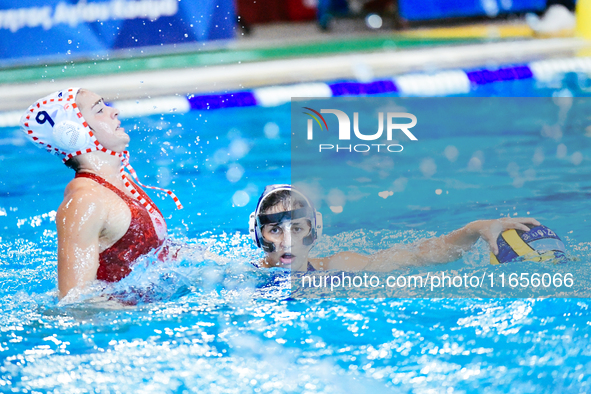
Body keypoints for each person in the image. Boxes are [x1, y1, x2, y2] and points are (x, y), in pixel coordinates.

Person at [20, 88, 182, 299]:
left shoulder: (120, 182)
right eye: (99, 110)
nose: (113, 112)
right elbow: (76, 304)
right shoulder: (85, 201)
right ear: (74, 133)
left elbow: (157, 254)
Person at [249, 184, 540, 271]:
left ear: (315, 231)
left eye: (298, 229)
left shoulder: (339, 267)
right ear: (257, 234)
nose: (288, 241)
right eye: (275, 230)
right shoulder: (242, 278)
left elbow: (422, 254)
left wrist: (475, 228)